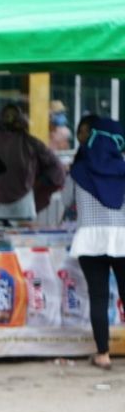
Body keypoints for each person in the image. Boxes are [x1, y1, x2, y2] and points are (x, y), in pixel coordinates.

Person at [64, 116, 125, 371]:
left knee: (98, 298)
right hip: (122, 238)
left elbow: (67, 201)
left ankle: (103, 354)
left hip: (89, 239)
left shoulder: (78, 170)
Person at [0, 103, 65, 220]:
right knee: (22, 238)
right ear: (21, 121)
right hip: (21, 208)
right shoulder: (31, 143)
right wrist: (39, 184)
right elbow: (57, 168)